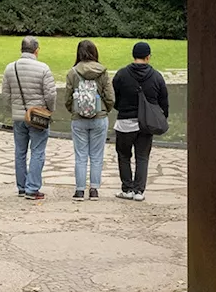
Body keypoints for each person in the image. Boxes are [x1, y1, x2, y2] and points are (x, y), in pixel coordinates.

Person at [1, 36, 56, 200]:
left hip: (18, 117)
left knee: (20, 152)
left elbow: (5, 95)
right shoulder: (43, 69)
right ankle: (32, 188)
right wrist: (49, 110)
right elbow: (51, 94)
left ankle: (22, 187)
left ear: (21, 50)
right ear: (36, 50)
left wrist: (14, 109)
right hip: (38, 117)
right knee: (38, 151)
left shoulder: (10, 68)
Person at [112, 41, 169, 202]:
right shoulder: (157, 77)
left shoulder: (121, 75)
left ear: (133, 55)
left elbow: (115, 97)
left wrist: (122, 108)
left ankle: (127, 188)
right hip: (147, 124)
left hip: (125, 122)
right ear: (148, 57)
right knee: (142, 157)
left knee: (123, 155)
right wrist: (163, 117)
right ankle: (139, 191)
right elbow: (163, 101)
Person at [64, 39, 114, 202]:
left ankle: (79, 190)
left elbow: (67, 98)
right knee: (97, 155)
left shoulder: (73, 73)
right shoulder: (103, 71)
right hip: (100, 117)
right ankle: (94, 189)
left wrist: (74, 110)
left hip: (78, 119)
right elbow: (110, 97)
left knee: (80, 156)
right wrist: (104, 109)